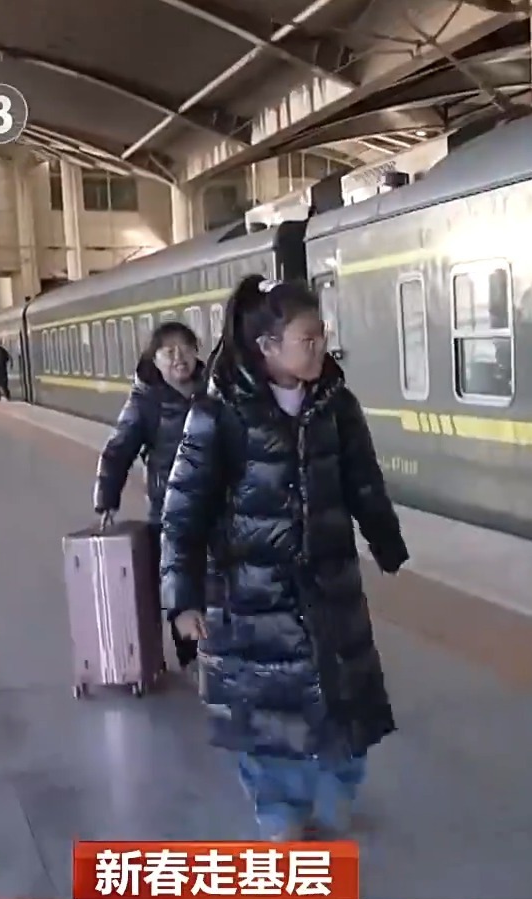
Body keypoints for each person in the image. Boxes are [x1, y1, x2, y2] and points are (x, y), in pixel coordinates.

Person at [161, 275, 409, 841]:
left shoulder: (335, 404)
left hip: (330, 587)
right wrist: (182, 599)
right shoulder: (220, 413)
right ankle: (281, 818)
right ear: (267, 346)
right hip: (251, 598)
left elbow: (362, 480)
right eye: (308, 339)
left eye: (322, 335)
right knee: (267, 722)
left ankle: (335, 799)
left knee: (346, 705)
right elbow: (183, 511)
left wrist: (385, 541)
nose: (321, 348)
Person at [94, 321, 205, 675]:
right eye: (168, 351)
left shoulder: (214, 390)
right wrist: (106, 499)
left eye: (185, 348)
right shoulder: (145, 402)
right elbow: (118, 450)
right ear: (154, 359)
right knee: (180, 580)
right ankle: (190, 657)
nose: (179, 357)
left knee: (216, 581)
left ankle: (214, 651)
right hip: (169, 509)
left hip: (217, 505)